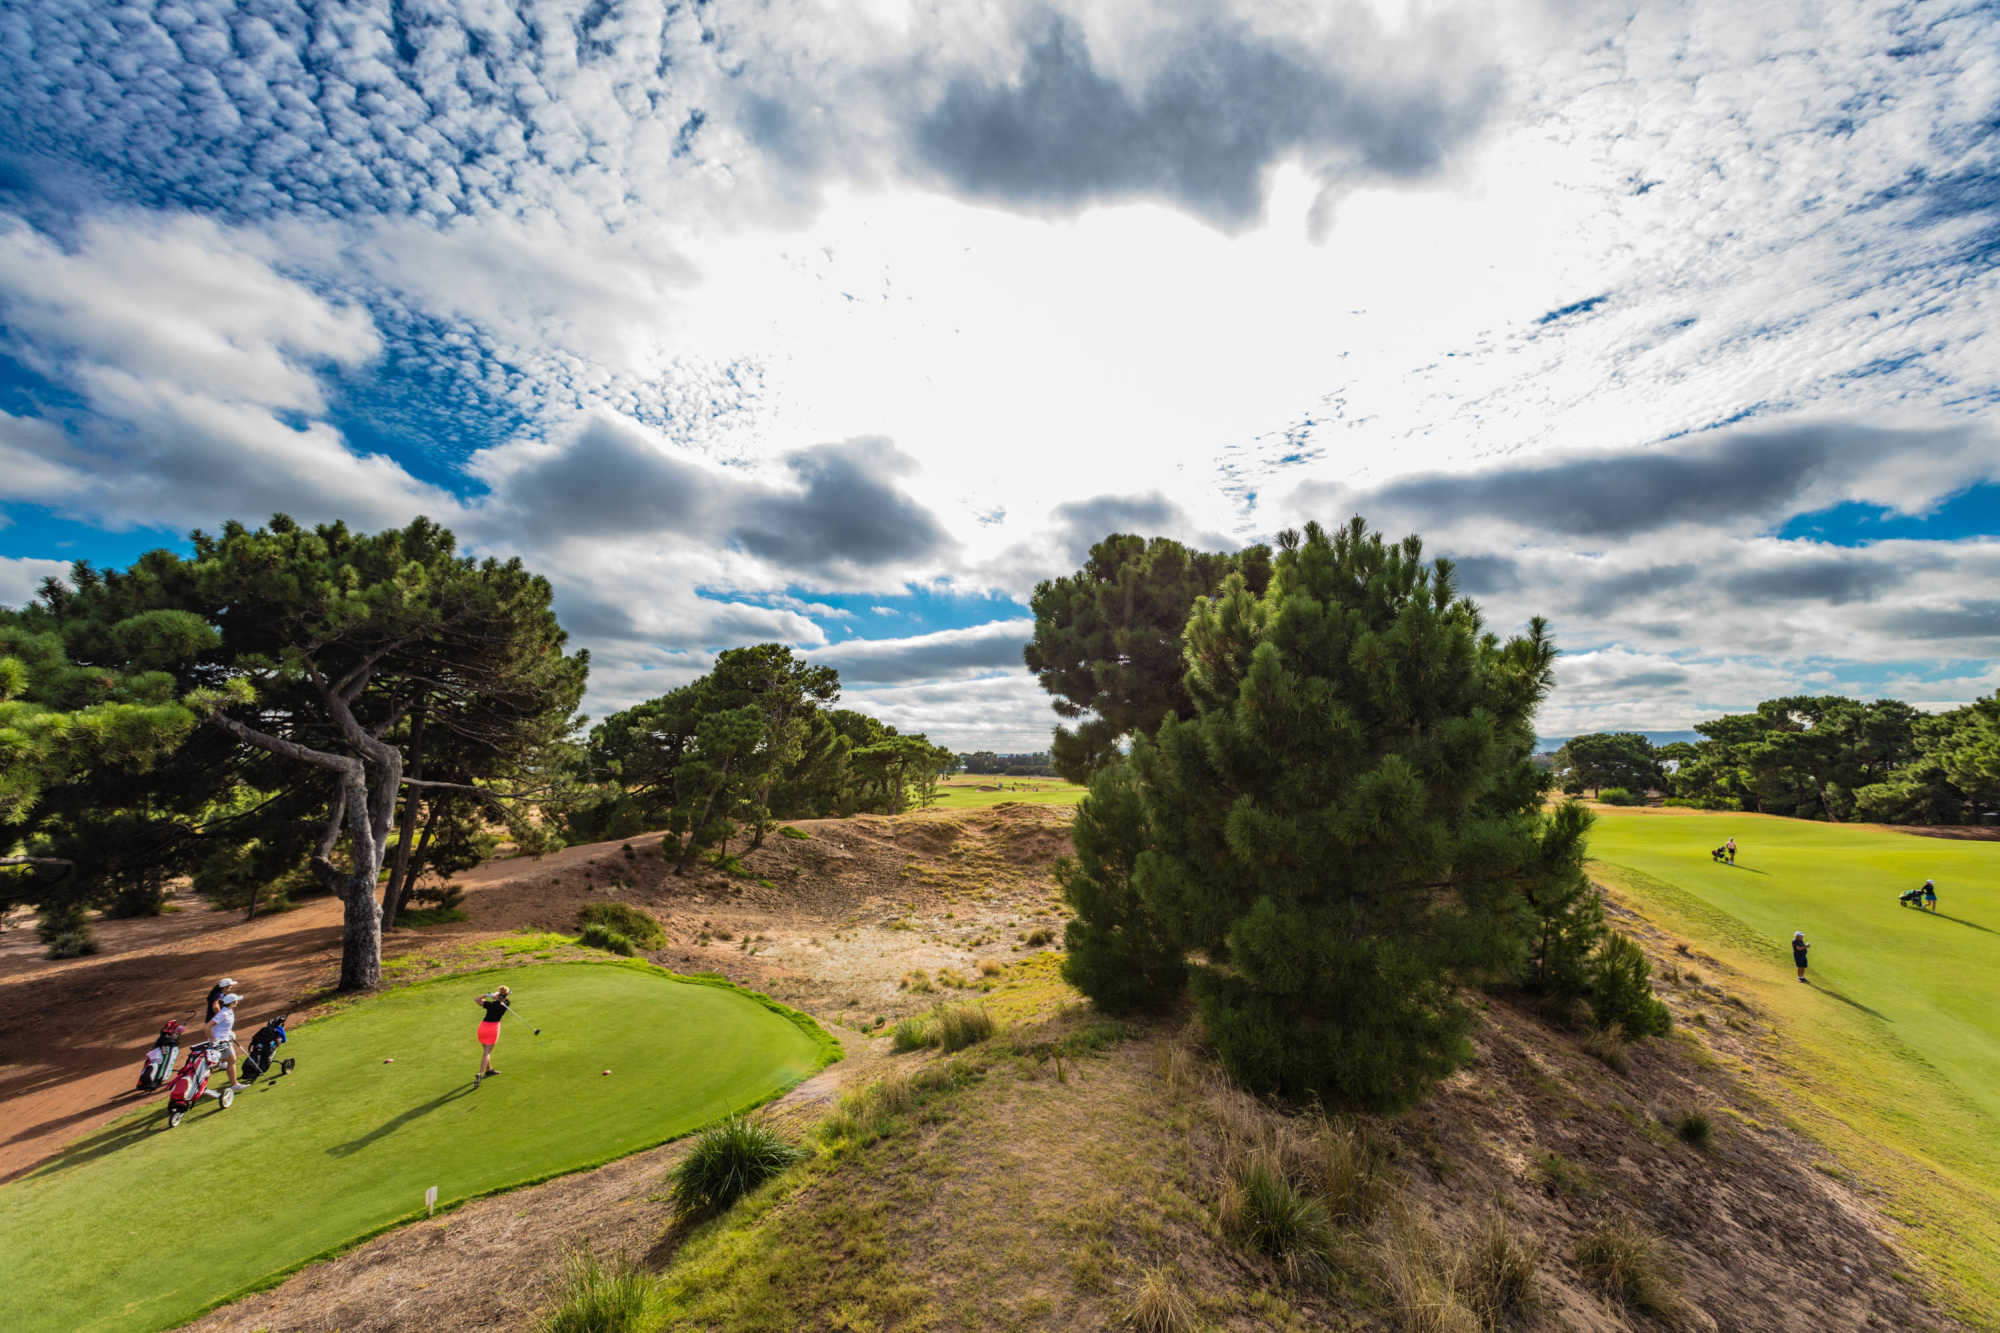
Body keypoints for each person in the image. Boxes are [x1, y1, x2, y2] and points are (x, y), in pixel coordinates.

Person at [206, 991, 245, 1091]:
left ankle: (234, 1084)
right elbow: (208, 1026)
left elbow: (223, 1027)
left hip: (224, 1040)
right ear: (232, 1002)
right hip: (220, 1042)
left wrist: (229, 1034)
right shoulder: (223, 1013)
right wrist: (212, 1039)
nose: (237, 1001)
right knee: (214, 1064)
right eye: (236, 1000)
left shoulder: (228, 1011)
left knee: (231, 1060)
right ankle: (234, 1084)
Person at [475, 984, 511, 1084]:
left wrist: (488, 995)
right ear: (505, 996)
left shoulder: (491, 1004)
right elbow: (503, 1001)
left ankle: (489, 1070)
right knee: (487, 1052)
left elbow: (477, 999)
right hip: (493, 1029)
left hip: (482, 1027)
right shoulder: (507, 1003)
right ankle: (480, 1073)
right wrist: (496, 997)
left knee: (486, 1051)